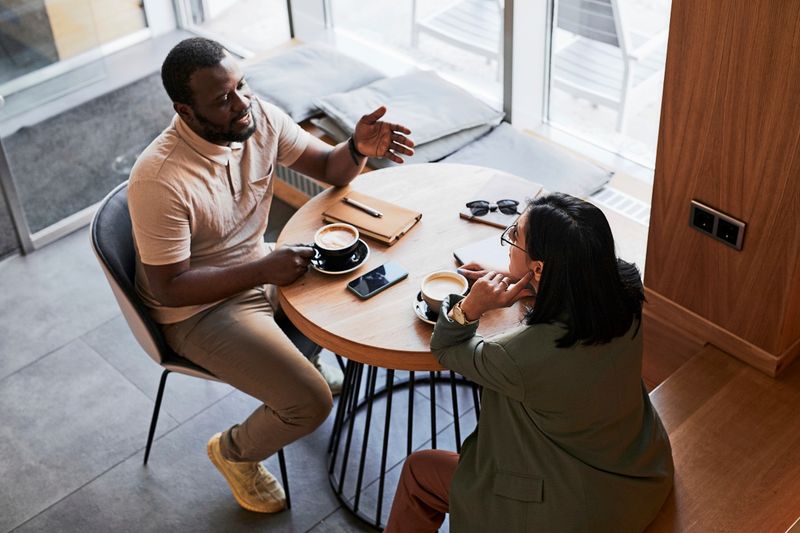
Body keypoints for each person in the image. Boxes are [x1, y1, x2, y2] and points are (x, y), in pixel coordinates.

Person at [127, 37, 414, 514]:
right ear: (185, 109)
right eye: (222, 99)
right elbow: (168, 286)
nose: (242, 105)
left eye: (242, 85)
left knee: (351, 288)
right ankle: (234, 451)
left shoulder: (256, 116)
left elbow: (327, 167)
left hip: (259, 266)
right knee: (311, 404)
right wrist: (264, 268)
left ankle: (302, 350)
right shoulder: (159, 179)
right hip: (198, 308)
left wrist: (357, 148)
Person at [385, 193, 674, 532]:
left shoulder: (517, 355)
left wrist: (470, 307)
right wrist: (526, 282)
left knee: (419, 471)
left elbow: (447, 348)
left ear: (539, 267)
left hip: (573, 513)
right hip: (638, 473)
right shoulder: (624, 290)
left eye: (515, 236)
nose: (509, 243)